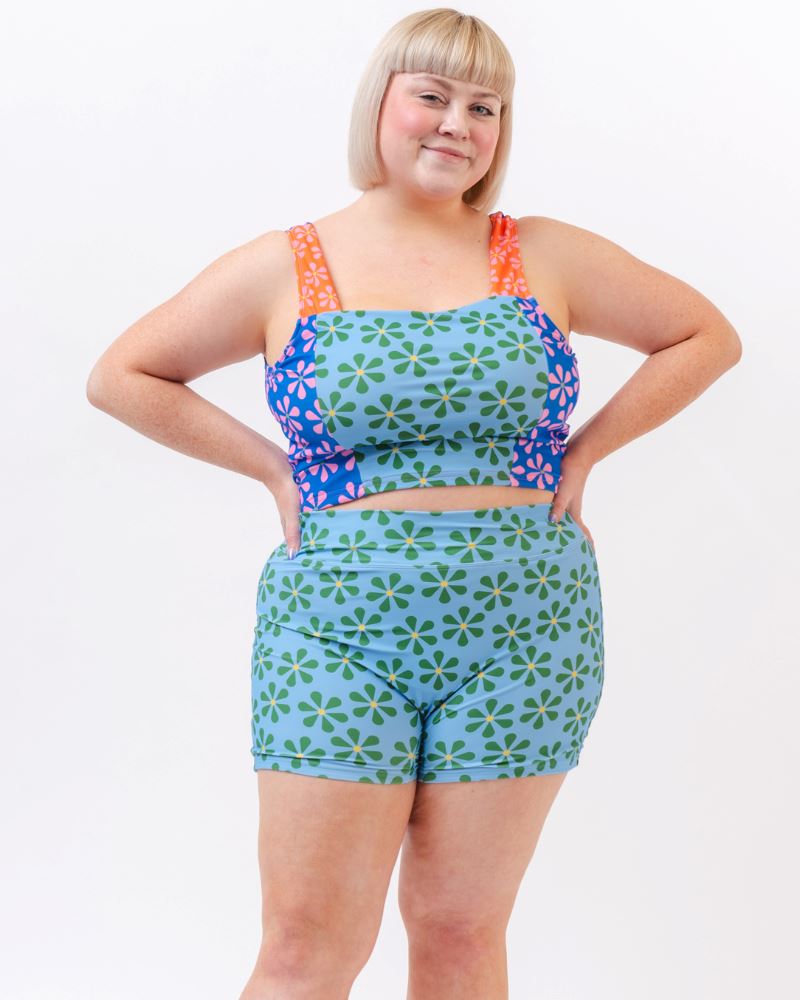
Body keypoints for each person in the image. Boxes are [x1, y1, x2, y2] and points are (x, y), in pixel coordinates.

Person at [86, 8, 742, 1000]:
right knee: (305, 951)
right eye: (431, 96)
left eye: (484, 107)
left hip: (527, 630)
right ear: (380, 104)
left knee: (460, 933)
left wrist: (587, 451)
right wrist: (272, 470)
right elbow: (124, 375)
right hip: (336, 630)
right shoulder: (287, 262)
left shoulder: (542, 252)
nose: (456, 124)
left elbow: (703, 336)